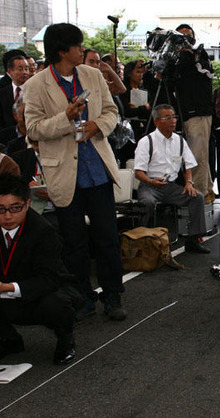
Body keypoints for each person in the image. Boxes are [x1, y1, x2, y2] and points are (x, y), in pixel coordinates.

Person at [22, 23, 126, 321]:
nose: (83, 50)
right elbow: (33, 129)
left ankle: (113, 294)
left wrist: (97, 126)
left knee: (107, 236)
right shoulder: (36, 85)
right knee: (74, 242)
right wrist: (65, 119)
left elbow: (111, 111)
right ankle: (82, 296)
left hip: (98, 170)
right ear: (62, 50)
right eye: (78, 46)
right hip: (64, 174)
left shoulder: (93, 75)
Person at [0, 173, 77, 365]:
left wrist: (9, 288)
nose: (7, 216)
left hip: (38, 293)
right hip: (4, 292)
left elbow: (50, 278)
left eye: (15, 208)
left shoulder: (43, 231)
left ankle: (65, 338)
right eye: (0, 209)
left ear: (27, 204)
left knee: (57, 302)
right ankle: (8, 339)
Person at [133, 104, 210, 254]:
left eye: (174, 117)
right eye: (167, 117)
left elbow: (188, 165)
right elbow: (138, 172)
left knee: (197, 197)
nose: (173, 121)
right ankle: (145, 240)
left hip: (170, 186)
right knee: (147, 203)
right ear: (156, 121)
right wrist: (150, 181)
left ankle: (193, 240)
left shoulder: (179, 141)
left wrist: (189, 183)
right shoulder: (146, 142)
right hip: (150, 185)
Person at [173, 24, 216, 204]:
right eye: (180, 38)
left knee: (198, 156)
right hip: (183, 112)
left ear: (194, 39)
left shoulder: (200, 56)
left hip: (199, 112)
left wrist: (188, 57)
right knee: (196, 155)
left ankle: (198, 195)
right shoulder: (175, 60)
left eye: (188, 38)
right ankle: (206, 191)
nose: (185, 42)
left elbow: (206, 75)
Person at [0, 55, 30, 146]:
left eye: (26, 69)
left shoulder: (35, 92)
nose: (25, 72)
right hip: (6, 142)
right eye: (20, 69)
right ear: (10, 71)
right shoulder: (2, 94)